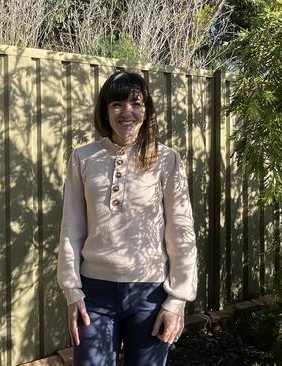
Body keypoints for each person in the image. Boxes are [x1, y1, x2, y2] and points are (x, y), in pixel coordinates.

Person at [57, 71, 197, 366]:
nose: (127, 112)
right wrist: (72, 291)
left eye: (136, 103)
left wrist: (177, 301)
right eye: (117, 104)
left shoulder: (166, 159)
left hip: (149, 293)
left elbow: (181, 232)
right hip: (94, 293)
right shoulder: (83, 158)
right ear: (105, 112)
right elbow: (71, 229)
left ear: (147, 112)